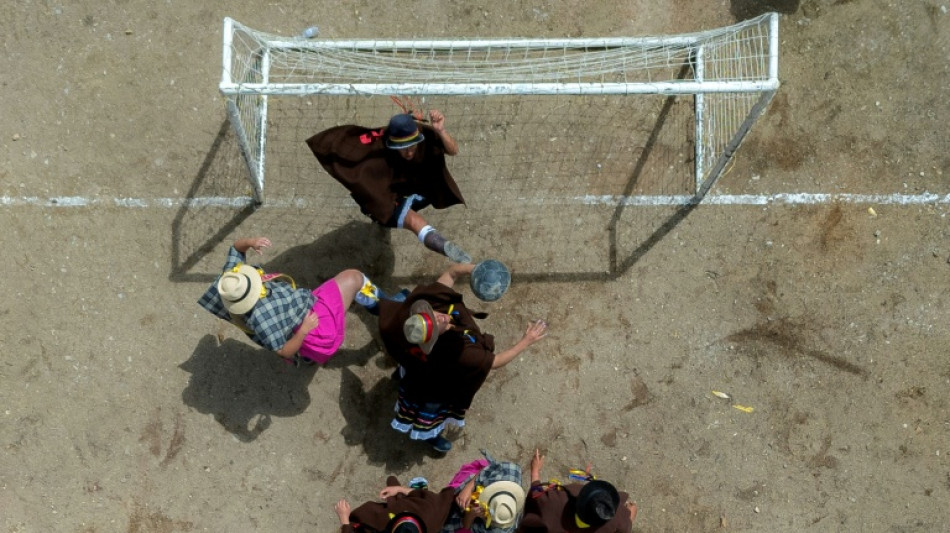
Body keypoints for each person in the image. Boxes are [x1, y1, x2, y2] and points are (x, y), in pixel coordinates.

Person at [376, 263, 548, 453]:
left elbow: (452, 272)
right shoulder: (462, 353)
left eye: (433, 314)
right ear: (433, 338)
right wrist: (526, 341)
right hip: (434, 389)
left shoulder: (425, 310)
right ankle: (430, 436)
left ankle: (401, 375)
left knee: (411, 369)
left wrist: (478, 269)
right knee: (428, 413)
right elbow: (496, 361)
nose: (440, 317)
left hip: (417, 364)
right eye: (437, 324)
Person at [197, 236, 402, 365]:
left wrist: (250, 242)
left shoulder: (230, 281)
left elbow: (235, 248)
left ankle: (307, 356)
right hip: (315, 324)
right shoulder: (260, 318)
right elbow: (283, 351)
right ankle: (389, 309)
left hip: (304, 307)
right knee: (354, 278)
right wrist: (304, 330)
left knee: (305, 349)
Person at [306, 109, 471, 263]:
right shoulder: (376, 148)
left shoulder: (425, 133)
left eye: (412, 146)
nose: (409, 152)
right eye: (403, 148)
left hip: (418, 189)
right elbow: (340, 146)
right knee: (414, 221)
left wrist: (441, 131)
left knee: (415, 211)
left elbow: (453, 150)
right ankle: (446, 247)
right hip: (389, 198)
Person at [517, 449, 637, 533]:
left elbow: (536, 493)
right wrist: (631, 515)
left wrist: (535, 470)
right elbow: (624, 528)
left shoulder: (554, 503)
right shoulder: (616, 518)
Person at [441, 450, 527, 533]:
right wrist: (469, 487)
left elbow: (464, 530)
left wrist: (469, 516)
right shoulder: (511, 476)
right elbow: (488, 469)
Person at [335, 475, 456, 533]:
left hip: (376, 520)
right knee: (392, 482)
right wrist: (400, 489)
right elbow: (439, 499)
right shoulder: (431, 512)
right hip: (411, 505)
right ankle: (406, 493)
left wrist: (345, 520)